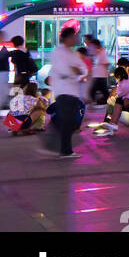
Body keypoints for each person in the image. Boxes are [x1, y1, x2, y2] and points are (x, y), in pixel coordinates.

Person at [45, 26, 89, 158]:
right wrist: (75, 71)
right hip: (62, 91)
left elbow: (83, 69)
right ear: (66, 38)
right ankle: (65, 150)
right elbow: (63, 71)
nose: (76, 39)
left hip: (73, 91)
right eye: (74, 36)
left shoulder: (73, 53)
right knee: (67, 120)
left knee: (71, 121)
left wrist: (77, 71)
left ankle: (65, 149)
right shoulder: (57, 52)